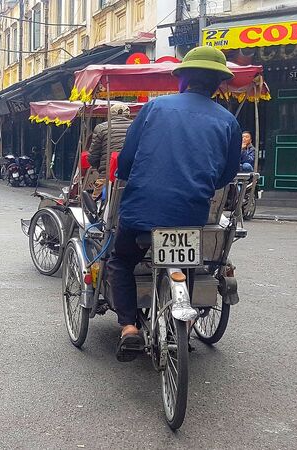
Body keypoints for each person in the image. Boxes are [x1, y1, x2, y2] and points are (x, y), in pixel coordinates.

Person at [110, 46, 242, 362]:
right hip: (190, 212)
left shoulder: (155, 108)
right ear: (218, 84)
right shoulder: (228, 122)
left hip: (141, 210)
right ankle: (188, 313)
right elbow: (226, 175)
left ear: (182, 79)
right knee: (187, 258)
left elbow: (126, 162)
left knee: (121, 260)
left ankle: (129, 327)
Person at [88, 104, 132, 197]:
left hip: (105, 177)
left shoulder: (101, 128)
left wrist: (102, 168)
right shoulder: (136, 126)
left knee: (95, 208)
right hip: (131, 178)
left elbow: (92, 157)